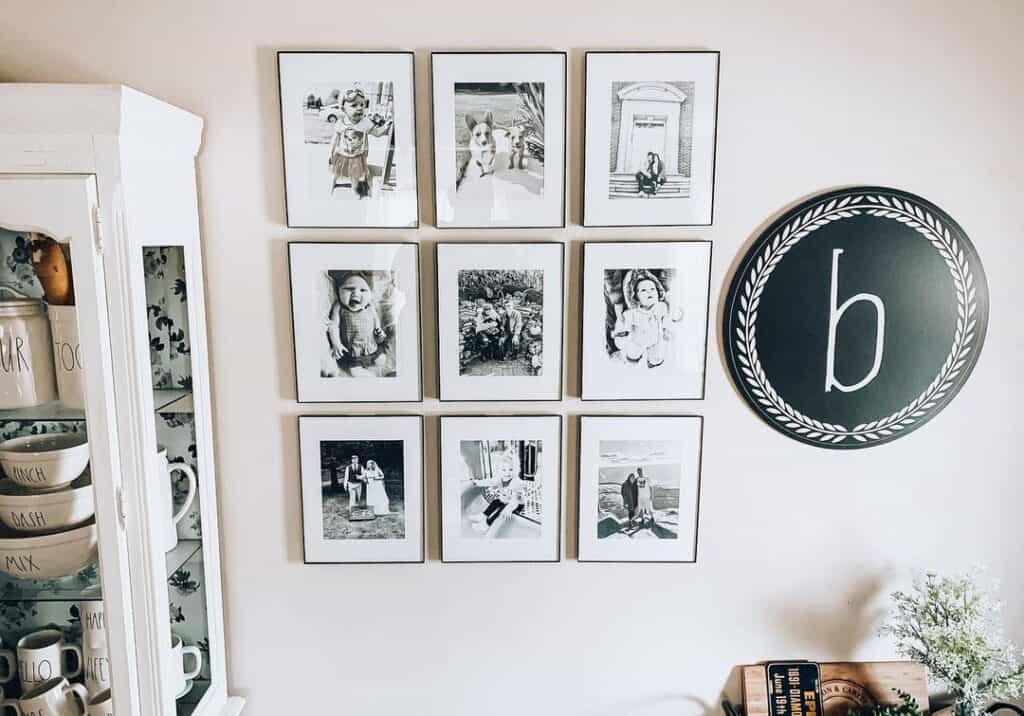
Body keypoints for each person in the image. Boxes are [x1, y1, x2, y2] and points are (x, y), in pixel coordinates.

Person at [327, 87, 392, 198]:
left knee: (355, 178)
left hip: (357, 157)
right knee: (336, 174)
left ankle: (357, 195)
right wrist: (330, 153)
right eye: (354, 105)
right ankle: (330, 191)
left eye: (362, 105)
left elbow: (377, 133)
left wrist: (386, 126)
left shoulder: (365, 123)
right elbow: (335, 139)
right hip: (342, 155)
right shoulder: (341, 123)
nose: (359, 108)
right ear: (343, 108)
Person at [612, 270, 681, 369]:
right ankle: (633, 359)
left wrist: (667, 329)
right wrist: (622, 335)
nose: (649, 292)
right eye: (643, 290)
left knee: (657, 356)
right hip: (637, 341)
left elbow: (668, 319)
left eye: (653, 289)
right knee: (633, 352)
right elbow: (623, 327)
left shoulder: (662, 307)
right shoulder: (632, 313)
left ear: (658, 293)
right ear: (635, 297)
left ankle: (653, 364)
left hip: (656, 339)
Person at [326, 272, 388, 377]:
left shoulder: (370, 306)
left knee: (382, 360)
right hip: (352, 352)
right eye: (349, 289)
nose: (356, 293)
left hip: (371, 347)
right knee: (355, 372)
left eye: (363, 290)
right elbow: (333, 326)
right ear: (338, 291)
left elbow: (375, 320)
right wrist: (336, 343)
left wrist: (379, 332)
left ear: (370, 294)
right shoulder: (339, 307)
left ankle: (373, 366)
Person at [469, 444, 526, 535]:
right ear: (499, 470)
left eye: (510, 469)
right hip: (506, 500)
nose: (507, 473)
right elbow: (489, 481)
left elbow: (515, 500)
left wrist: (509, 509)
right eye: (504, 470)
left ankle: (486, 525)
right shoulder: (500, 479)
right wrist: (477, 482)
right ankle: (483, 516)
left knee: (501, 511)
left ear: (516, 470)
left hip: (516, 504)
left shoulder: (516, 483)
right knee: (496, 502)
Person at [500, 294, 524, 360]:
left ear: (512, 306)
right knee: (501, 342)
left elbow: (518, 325)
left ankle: (514, 356)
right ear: (504, 307)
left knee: (516, 342)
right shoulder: (503, 314)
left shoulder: (517, 314)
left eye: (510, 306)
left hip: (514, 332)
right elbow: (501, 324)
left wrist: (516, 335)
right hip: (506, 332)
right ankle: (503, 355)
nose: (508, 308)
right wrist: (502, 328)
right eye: (506, 306)